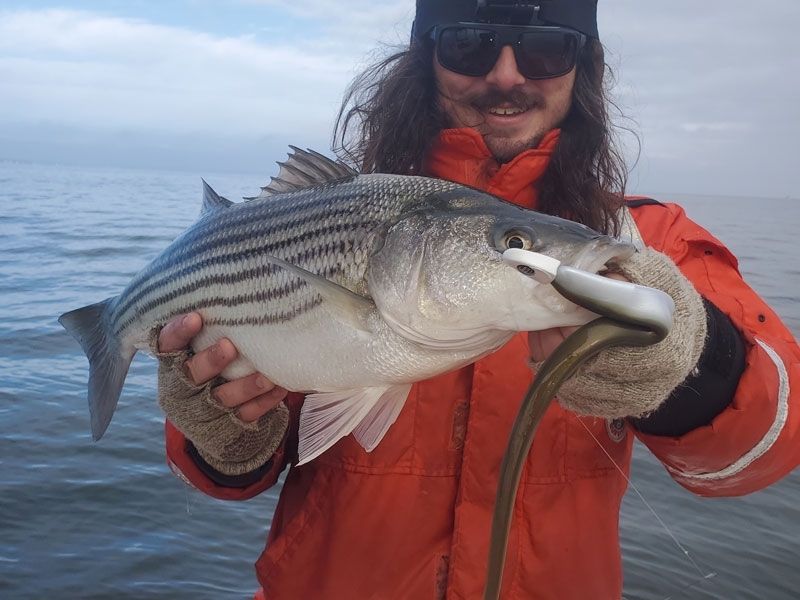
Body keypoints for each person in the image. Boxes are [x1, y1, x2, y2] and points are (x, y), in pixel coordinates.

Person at [153, 1, 800, 598]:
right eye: (470, 45)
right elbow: (233, 473)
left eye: (546, 48)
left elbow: (762, 451)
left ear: (585, 67)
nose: (507, 75)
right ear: (424, 59)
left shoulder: (643, 243)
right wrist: (223, 436)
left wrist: (683, 359)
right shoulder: (333, 218)